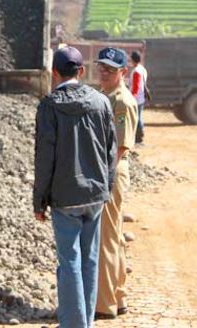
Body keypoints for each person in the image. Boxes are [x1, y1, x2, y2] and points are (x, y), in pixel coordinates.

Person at [34, 46, 118, 328]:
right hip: (95, 196)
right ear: (81, 72)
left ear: (54, 73)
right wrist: (107, 188)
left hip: (65, 197)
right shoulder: (101, 102)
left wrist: (39, 201)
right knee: (89, 260)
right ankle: (87, 323)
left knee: (69, 262)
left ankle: (74, 324)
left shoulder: (49, 106)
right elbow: (110, 150)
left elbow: (44, 156)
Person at [94, 47, 138, 319]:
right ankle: (117, 296)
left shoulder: (121, 101)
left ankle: (105, 304)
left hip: (109, 172)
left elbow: (119, 148)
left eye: (111, 69)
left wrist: (99, 179)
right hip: (107, 171)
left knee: (106, 239)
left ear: (124, 71)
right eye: (101, 67)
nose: (104, 72)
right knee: (114, 236)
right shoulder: (105, 96)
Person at [128, 51, 149, 144]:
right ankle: (139, 138)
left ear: (133, 59)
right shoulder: (142, 69)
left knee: (137, 118)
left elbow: (136, 87)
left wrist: (131, 98)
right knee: (138, 117)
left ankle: (139, 139)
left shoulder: (136, 71)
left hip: (136, 98)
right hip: (140, 97)